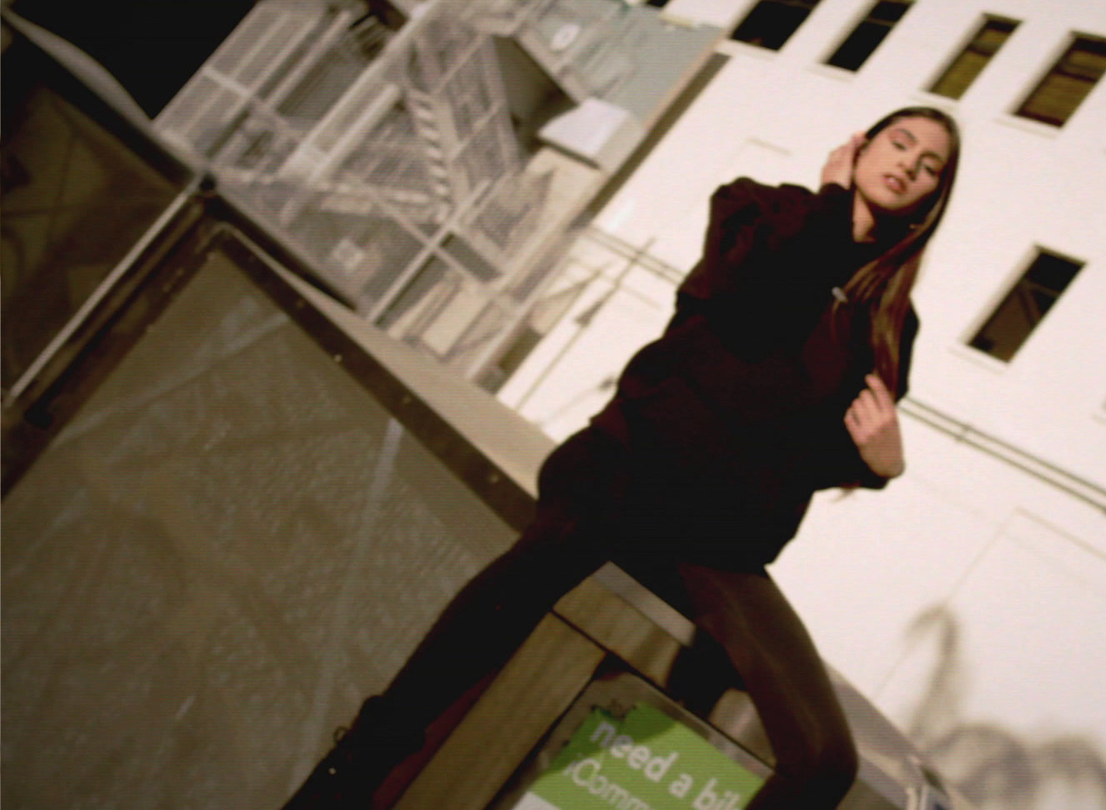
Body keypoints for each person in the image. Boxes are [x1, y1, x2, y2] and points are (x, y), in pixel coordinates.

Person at [284, 105, 961, 810]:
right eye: (899, 143)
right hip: (626, 474)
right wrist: (827, 203)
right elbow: (743, 301)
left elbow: (806, 449)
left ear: (931, 198)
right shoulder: (756, 209)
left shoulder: (888, 320)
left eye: (929, 165)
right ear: (859, 147)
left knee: (823, 758)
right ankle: (352, 772)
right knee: (513, 605)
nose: (909, 164)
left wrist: (877, 466)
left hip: (718, 543)